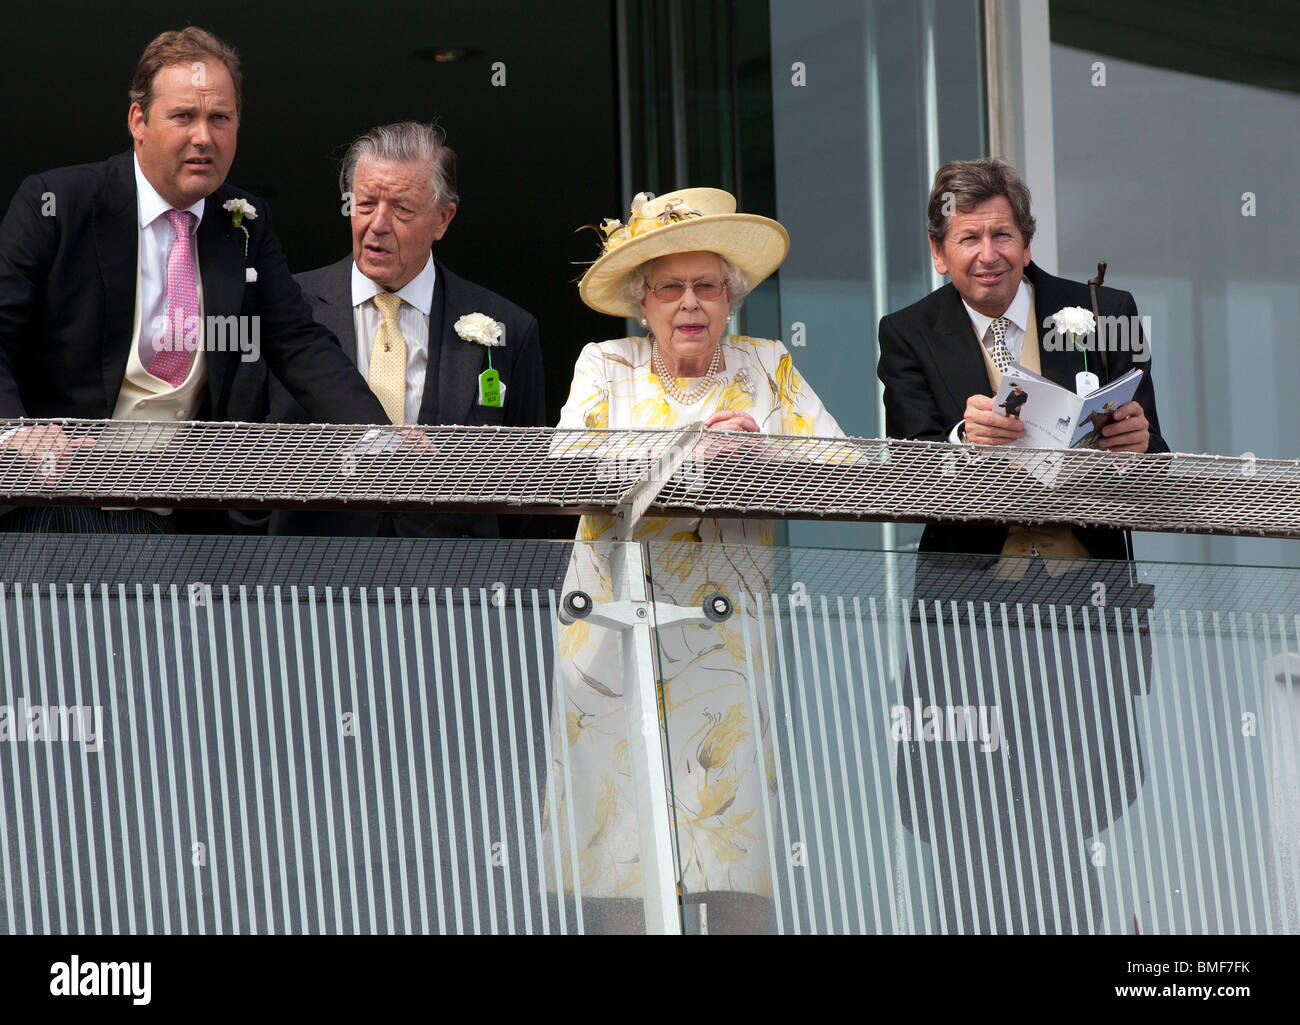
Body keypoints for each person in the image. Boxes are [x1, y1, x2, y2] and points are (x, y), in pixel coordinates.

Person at [876, 158, 1167, 933]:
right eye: (967, 237)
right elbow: (908, 465)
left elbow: (1156, 461)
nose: (987, 252)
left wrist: (1139, 446)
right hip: (969, 619)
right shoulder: (906, 331)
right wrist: (961, 439)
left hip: (1084, 614)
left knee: (1069, 819)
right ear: (939, 251)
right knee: (964, 820)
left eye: (1002, 232)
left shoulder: (1107, 310)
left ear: (1027, 241)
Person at [548, 188, 845, 933]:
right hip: (612, 644)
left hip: (724, 651)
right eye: (670, 288)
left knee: (732, 862)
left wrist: (764, 454)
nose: (690, 303)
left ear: (730, 297)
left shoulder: (766, 366)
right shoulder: (605, 364)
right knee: (621, 858)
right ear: (642, 302)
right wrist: (690, 450)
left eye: (706, 286)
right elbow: (565, 464)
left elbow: (842, 467)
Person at [0, 27, 395, 533]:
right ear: (138, 121)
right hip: (58, 505)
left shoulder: (246, 221)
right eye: (183, 116)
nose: (204, 137)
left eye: (220, 118)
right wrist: (17, 438)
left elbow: (298, 342)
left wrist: (382, 440)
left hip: (183, 521)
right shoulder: (56, 205)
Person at [263, 122, 546, 538]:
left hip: (457, 589)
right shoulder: (285, 310)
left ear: (443, 220)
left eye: (402, 209)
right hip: (309, 584)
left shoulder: (510, 329)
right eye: (364, 204)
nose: (377, 224)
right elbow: (238, 453)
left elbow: (526, 493)